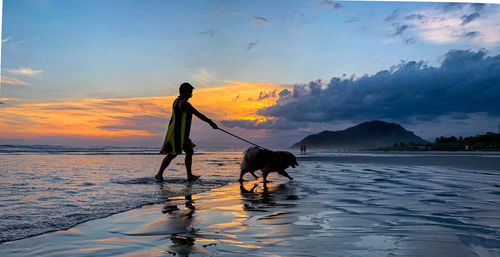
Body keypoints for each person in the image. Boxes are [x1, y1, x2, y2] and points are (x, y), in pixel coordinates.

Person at [155, 82, 218, 182]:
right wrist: (210, 122)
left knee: (189, 151)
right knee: (173, 154)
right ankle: (159, 174)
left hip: (179, 133)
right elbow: (198, 114)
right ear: (186, 92)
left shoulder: (176, 101)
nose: (191, 95)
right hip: (177, 133)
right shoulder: (184, 103)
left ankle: (189, 175)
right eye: (190, 93)